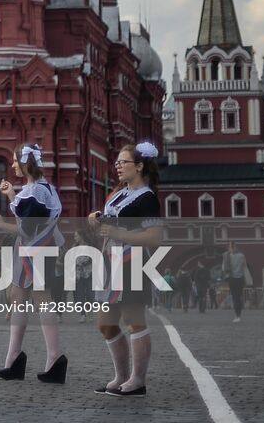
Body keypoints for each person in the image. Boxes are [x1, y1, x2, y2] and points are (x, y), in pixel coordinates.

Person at [89, 141, 164, 398]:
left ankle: (137, 380)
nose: (118, 166)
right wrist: (97, 219)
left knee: (134, 321)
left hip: (133, 262)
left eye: (124, 162)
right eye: (117, 162)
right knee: (105, 324)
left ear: (140, 166)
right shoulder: (121, 193)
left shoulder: (147, 197)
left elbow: (154, 236)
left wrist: (120, 232)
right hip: (111, 261)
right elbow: (113, 220)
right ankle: (121, 376)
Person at [0, 144, 66, 383]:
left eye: (15, 161)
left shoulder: (37, 192)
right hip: (33, 248)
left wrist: (5, 215)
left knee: (42, 299)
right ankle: (14, 358)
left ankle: (54, 358)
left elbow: (27, 227)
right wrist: (13, 195)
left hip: (36, 249)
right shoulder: (38, 189)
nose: (12, 165)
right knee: (18, 297)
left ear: (26, 163)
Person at [222, 241, 248, 323]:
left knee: (235, 297)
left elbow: (224, 268)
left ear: (229, 247)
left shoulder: (227, 256)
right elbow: (244, 267)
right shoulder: (242, 256)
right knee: (239, 296)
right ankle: (239, 314)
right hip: (240, 278)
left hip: (232, 278)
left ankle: (237, 315)